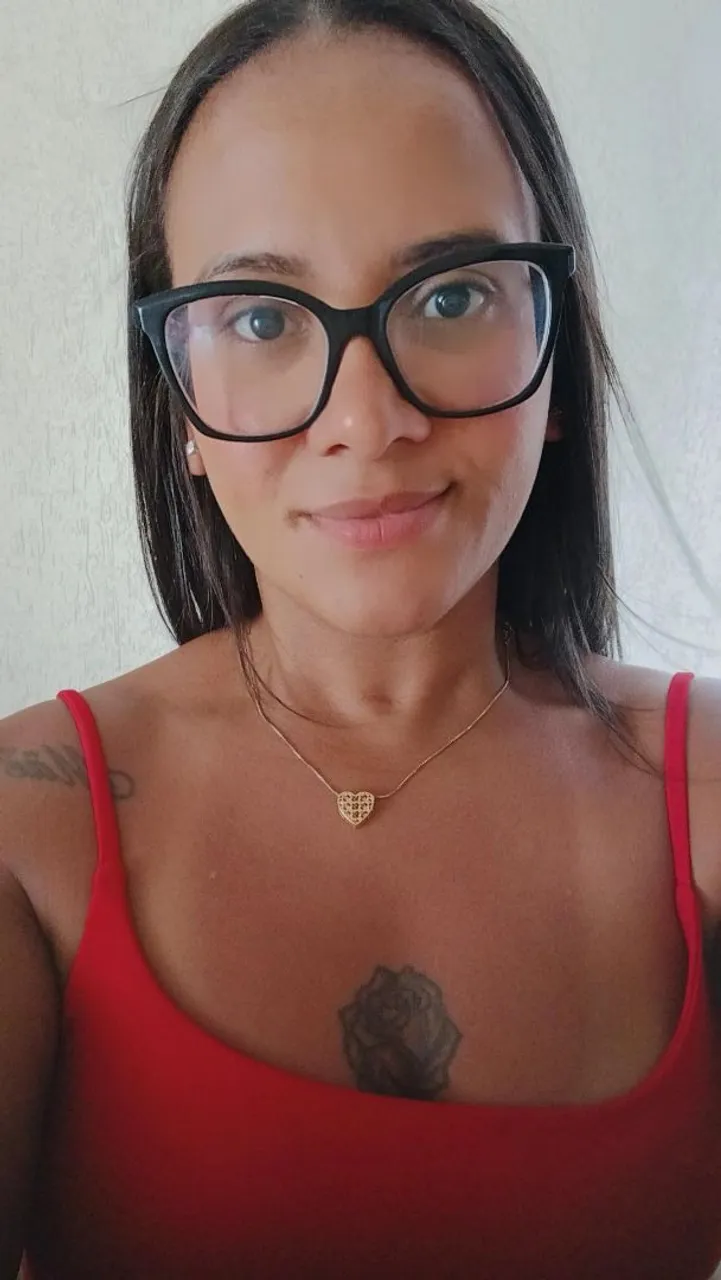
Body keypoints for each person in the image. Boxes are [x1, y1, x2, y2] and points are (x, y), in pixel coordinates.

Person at [2, 0, 720, 1275]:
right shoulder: (26, 830)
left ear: (554, 352)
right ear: (179, 403)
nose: (367, 419)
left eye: (450, 294)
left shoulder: (708, 790)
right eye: (262, 319)